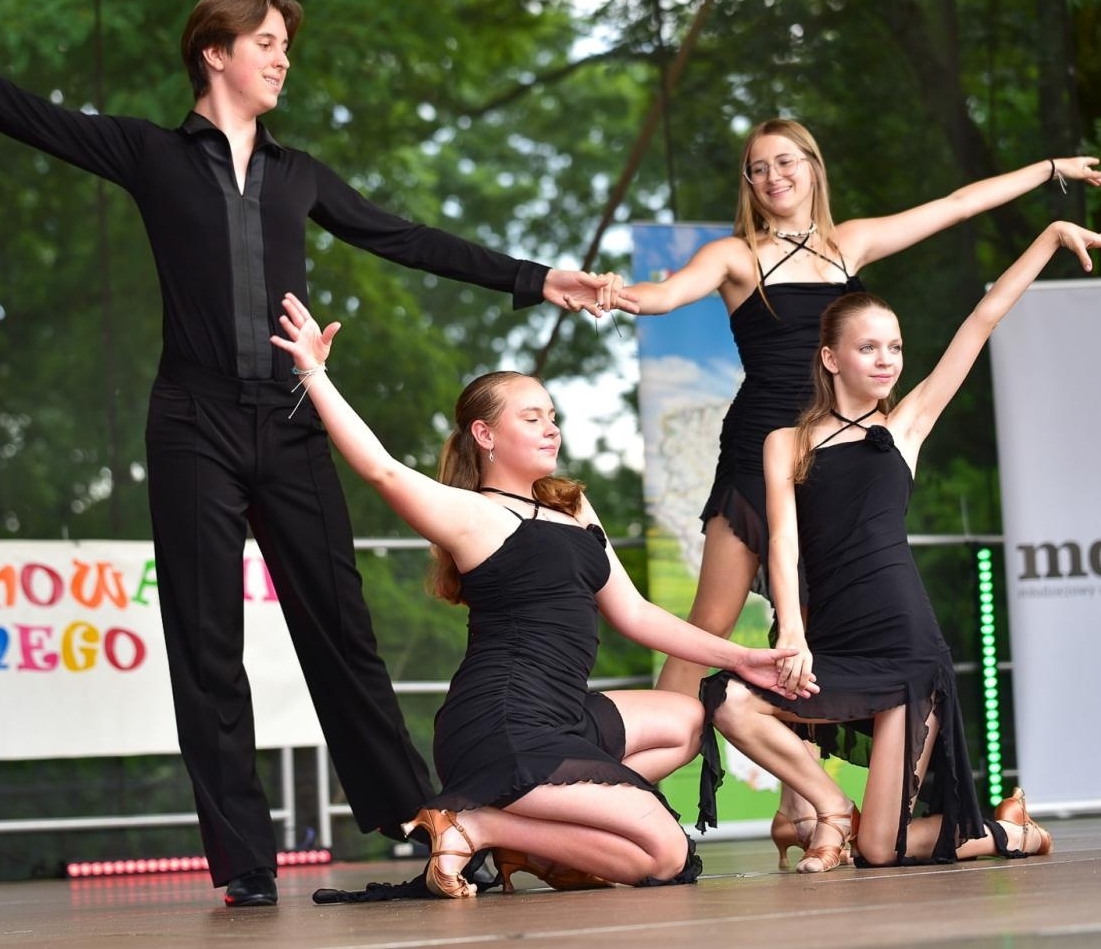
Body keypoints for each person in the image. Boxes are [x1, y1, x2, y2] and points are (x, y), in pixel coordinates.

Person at [0, 0, 632, 906]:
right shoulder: (151, 154)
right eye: (267, 44)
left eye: (284, 47)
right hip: (193, 424)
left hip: (291, 420)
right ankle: (244, 863)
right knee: (206, 642)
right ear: (213, 54)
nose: (282, 60)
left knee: (340, 630)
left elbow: (405, 237)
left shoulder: (299, 174)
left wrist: (537, 277)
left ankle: (417, 821)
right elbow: (23, 113)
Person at [630, 117, 1101, 859]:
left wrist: (1048, 170)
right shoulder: (736, 255)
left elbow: (955, 206)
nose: (773, 176)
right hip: (761, 458)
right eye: (757, 169)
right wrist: (618, 295)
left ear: (812, 167)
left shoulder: (847, 244)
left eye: (786, 161)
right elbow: (664, 297)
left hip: (838, 457)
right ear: (748, 186)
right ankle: (637, 790)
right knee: (707, 629)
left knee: (815, 640)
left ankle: (805, 813)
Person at [270, 292, 815, 897]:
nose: (551, 426)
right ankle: (476, 823)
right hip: (502, 722)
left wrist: (741, 657)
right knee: (663, 856)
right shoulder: (471, 516)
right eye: (531, 417)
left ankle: (535, 831)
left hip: (564, 715)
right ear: (485, 434)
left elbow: (633, 613)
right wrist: (313, 373)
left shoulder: (571, 505)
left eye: (552, 414)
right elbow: (382, 469)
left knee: (686, 719)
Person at [699, 220, 1101, 872]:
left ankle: (1012, 835)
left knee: (882, 851)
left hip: (906, 654)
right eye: (868, 347)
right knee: (727, 700)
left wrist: (1046, 237)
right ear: (829, 357)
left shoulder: (906, 425)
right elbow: (782, 542)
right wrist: (791, 628)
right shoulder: (784, 443)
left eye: (894, 348)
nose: (886, 360)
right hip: (834, 647)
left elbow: (983, 319)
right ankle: (829, 809)